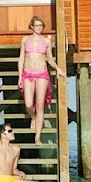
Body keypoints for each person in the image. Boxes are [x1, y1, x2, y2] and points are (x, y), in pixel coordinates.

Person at [18, 15, 62, 145]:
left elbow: (50, 59)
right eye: (37, 25)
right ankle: (33, 117)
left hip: (42, 73)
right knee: (28, 104)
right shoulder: (25, 39)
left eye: (41, 26)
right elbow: (21, 58)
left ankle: (37, 137)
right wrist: (20, 76)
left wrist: (58, 69)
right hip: (28, 73)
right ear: (32, 26)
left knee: (40, 105)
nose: (39, 28)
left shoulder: (46, 41)